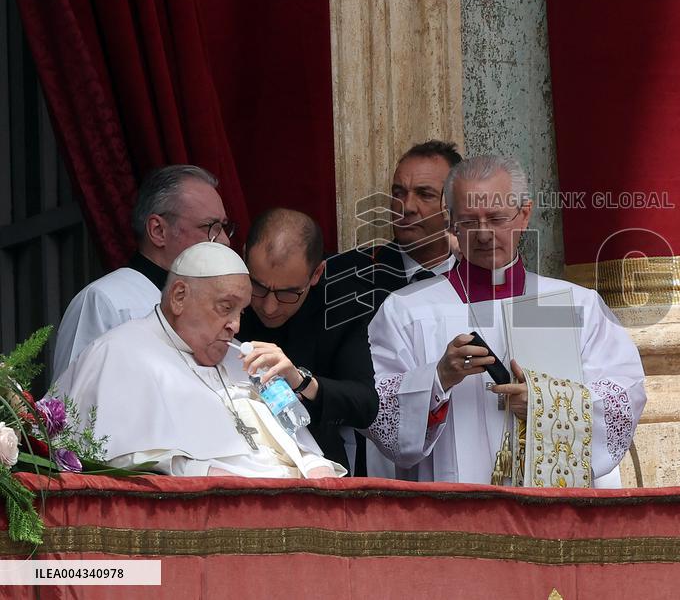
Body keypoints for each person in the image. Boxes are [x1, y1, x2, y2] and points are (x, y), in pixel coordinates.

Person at [365, 154, 646, 485]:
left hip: (550, 512)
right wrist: (438, 379)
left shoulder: (577, 306)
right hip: (454, 511)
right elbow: (376, 409)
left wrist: (546, 403)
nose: (484, 235)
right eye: (470, 222)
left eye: (497, 219)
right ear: (451, 222)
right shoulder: (407, 310)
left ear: (524, 215)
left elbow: (623, 398)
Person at [56, 242, 344, 479]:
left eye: (240, 312)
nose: (236, 325)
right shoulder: (117, 353)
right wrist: (199, 470)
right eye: (225, 307)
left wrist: (310, 464)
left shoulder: (241, 359)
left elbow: (294, 443)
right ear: (179, 296)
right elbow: (117, 460)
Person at [324, 139, 462, 475]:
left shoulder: (482, 283)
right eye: (398, 192)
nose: (406, 206)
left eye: (425, 194)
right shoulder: (345, 278)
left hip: (463, 456)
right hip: (367, 467)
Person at [53, 165, 234, 378]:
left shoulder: (219, 307)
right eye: (210, 227)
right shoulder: (104, 302)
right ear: (158, 230)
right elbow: (72, 404)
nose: (224, 241)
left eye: (223, 226)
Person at [235, 208, 379, 474]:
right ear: (244, 259)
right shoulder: (225, 292)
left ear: (316, 274)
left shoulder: (340, 308)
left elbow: (366, 404)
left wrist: (302, 381)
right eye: (258, 287)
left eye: (288, 293)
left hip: (315, 463)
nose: (269, 307)